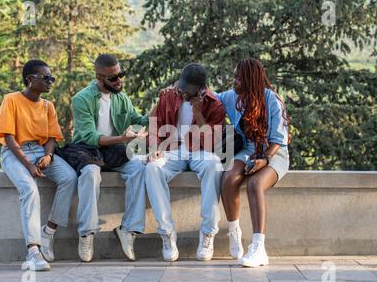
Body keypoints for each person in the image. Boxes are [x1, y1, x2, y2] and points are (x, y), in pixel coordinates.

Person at [0, 60, 78, 271]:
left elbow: (52, 137)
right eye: (45, 78)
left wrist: (48, 156)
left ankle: (48, 232)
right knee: (29, 189)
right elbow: (9, 138)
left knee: (69, 177)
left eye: (52, 78)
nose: (50, 82)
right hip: (14, 153)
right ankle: (33, 251)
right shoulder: (11, 100)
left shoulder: (48, 106)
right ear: (30, 80)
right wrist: (28, 166)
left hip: (41, 152)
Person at [71, 54, 149, 262]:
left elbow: (139, 119)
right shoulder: (81, 99)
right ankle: (86, 233)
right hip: (87, 149)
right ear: (99, 77)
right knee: (90, 173)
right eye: (113, 78)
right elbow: (90, 137)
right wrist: (123, 138)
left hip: (113, 148)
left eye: (120, 75)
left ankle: (128, 229)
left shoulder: (121, 97)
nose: (119, 81)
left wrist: (162, 103)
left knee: (139, 169)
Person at [145, 63, 226, 262]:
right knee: (152, 168)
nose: (182, 91)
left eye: (187, 89)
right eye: (181, 86)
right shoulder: (169, 95)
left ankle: (208, 233)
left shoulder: (214, 104)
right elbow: (154, 124)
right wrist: (155, 147)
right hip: (173, 149)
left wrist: (198, 113)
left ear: (200, 89)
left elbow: (211, 142)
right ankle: (167, 233)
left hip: (200, 151)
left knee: (214, 166)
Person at [217, 58, 290, 267]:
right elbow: (211, 98)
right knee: (229, 178)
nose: (234, 81)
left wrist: (264, 159)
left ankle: (259, 248)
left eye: (238, 77)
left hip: (274, 152)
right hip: (249, 150)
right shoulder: (233, 97)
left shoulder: (272, 100)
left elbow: (278, 140)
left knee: (255, 184)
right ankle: (234, 231)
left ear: (250, 79)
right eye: (234, 76)